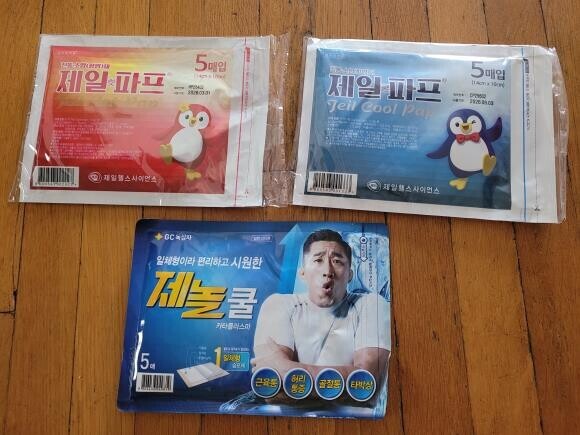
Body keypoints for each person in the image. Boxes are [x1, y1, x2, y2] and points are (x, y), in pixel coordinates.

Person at [252, 229, 390, 385]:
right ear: (302, 273)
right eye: (318, 260)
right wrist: (346, 378)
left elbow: (365, 385)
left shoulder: (371, 305)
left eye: (337, 261)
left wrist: (283, 368)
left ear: (350, 275)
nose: (328, 271)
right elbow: (270, 387)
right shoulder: (279, 305)